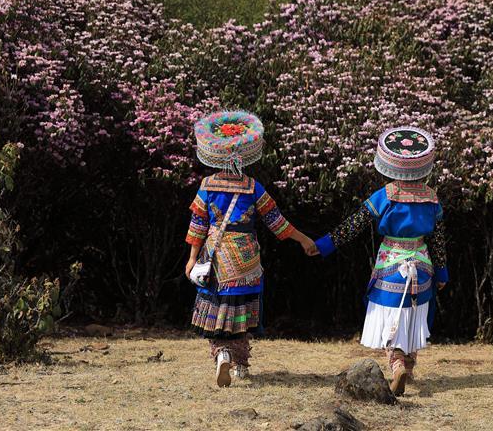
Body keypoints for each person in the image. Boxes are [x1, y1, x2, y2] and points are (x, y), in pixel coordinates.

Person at [184, 110, 317, 387]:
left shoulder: (207, 185)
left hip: (216, 257)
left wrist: (192, 258)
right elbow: (277, 223)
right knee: (242, 312)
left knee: (218, 307)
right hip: (246, 257)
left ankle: (222, 354)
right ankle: (241, 365)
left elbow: (198, 224)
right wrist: (304, 239)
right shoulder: (252, 187)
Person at [314, 126, 448, 396]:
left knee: (392, 321)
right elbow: (438, 242)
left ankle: (397, 364)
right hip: (421, 269)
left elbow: (353, 225)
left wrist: (323, 245)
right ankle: (407, 368)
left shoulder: (385, 196)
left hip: (391, 268)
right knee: (412, 319)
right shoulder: (432, 199)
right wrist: (442, 273)